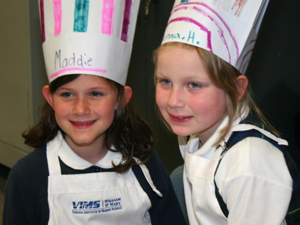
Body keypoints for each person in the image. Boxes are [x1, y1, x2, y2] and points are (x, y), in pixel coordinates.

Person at [3, 1, 187, 224]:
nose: (81, 109)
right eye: (67, 95)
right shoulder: (28, 177)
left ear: (120, 99)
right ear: (50, 98)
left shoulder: (144, 163)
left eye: (96, 94)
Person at [154, 0, 300, 224]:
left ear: (237, 88)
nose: (174, 101)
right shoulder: (196, 132)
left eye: (194, 85)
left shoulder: (248, 162)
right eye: (165, 81)